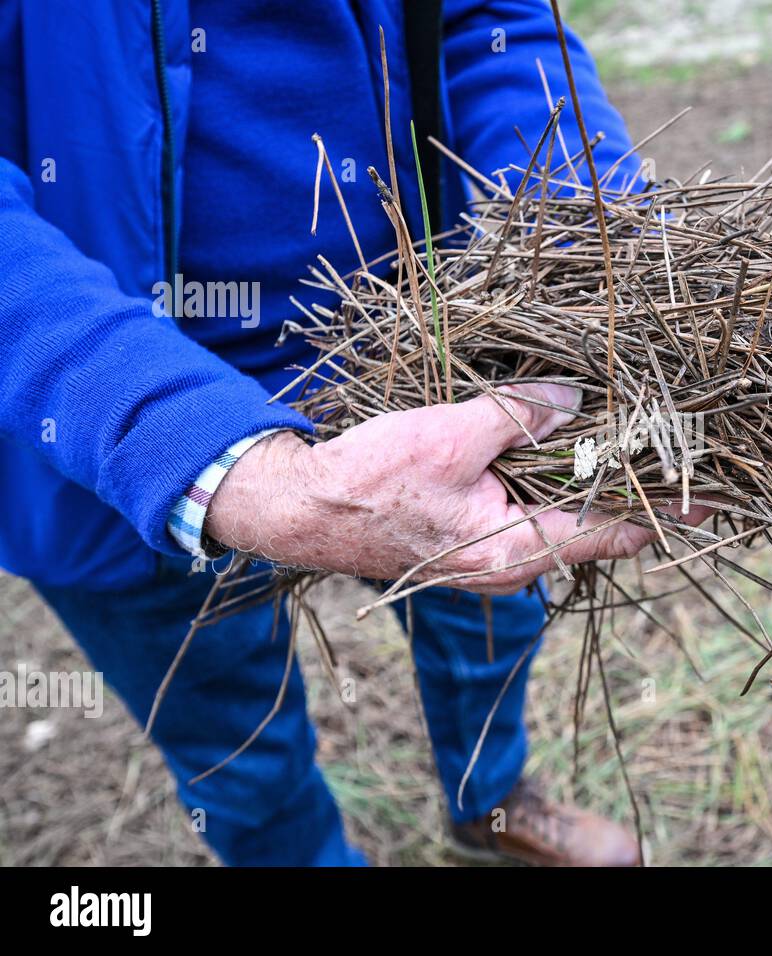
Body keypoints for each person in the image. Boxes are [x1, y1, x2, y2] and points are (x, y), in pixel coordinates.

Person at [0, 0, 658, 866]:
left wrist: (587, 242)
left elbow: (490, 19)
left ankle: (490, 803)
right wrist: (188, 447)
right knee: (237, 748)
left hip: (435, 360)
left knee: (491, 620)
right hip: (106, 429)